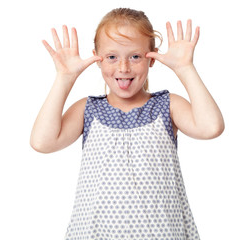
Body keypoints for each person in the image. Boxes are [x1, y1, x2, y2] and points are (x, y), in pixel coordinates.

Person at [30, 7, 224, 240]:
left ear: (152, 57)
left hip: (161, 233)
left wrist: (185, 68)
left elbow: (210, 127)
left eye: (135, 56)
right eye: (112, 57)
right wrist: (65, 78)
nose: (123, 68)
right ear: (97, 59)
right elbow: (42, 142)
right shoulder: (88, 109)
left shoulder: (167, 105)